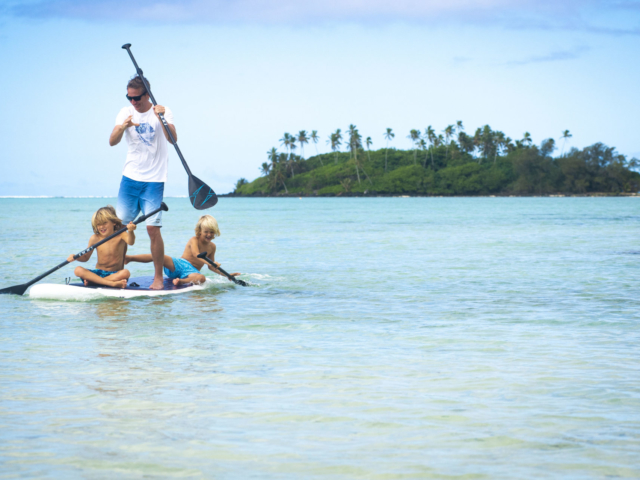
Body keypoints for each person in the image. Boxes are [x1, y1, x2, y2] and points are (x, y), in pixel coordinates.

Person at [109, 75, 176, 290]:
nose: (133, 102)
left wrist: (162, 118)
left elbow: (173, 139)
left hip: (154, 180)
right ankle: (116, 275)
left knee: (152, 229)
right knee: (119, 229)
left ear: (147, 94)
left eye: (137, 98)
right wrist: (123, 126)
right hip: (130, 178)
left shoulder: (162, 110)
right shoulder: (125, 112)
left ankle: (157, 278)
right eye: (129, 97)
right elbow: (112, 141)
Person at [125, 214, 240, 286]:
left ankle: (180, 281)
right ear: (200, 231)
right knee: (159, 256)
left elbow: (211, 267)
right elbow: (196, 254)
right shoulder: (194, 240)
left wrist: (227, 275)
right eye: (206, 231)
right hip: (179, 264)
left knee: (201, 278)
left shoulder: (212, 247)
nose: (209, 234)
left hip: (191, 273)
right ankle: (130, 258)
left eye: (212, 232)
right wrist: (212, 263)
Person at [68, 206, 136, 288]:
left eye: (104, 223)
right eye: (98, 224)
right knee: (78, 270)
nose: (101, 227)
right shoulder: (95, 238)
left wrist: (131, 231)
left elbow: (131, 242)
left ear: (114, 222)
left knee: (125, 273)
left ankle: (94, 282)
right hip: (98, 273)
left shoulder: (121, 234)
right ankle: (110, 283)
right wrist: (75, 257)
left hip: (115, 274)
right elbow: (85, 257)